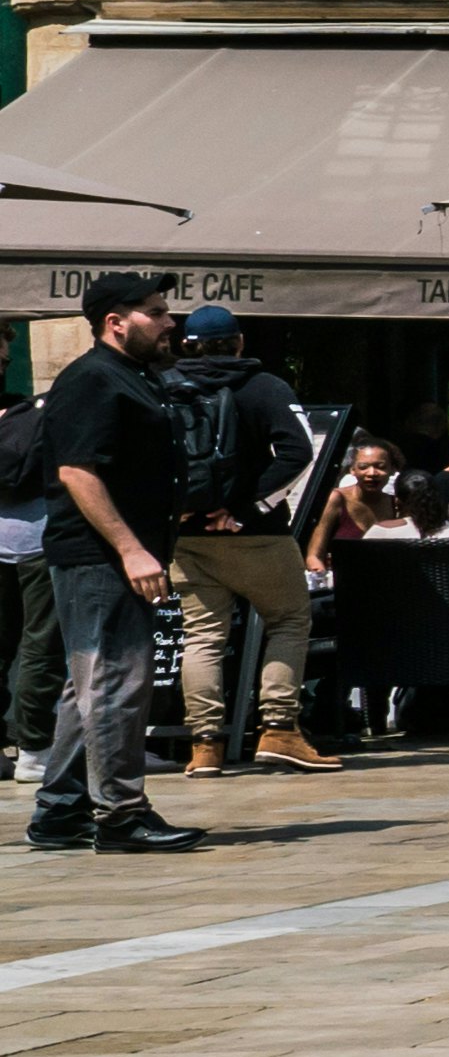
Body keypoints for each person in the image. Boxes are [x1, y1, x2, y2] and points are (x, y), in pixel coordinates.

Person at [18, 275, 209, 856]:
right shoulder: (93, 379)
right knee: (114, 684)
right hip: (100, 557)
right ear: (115, 321)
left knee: (91, 688)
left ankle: (61, 810)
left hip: (117, 555)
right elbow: (78, 472)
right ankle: (121, 814)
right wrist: (130, 548)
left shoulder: (132, 376)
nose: (170, 322)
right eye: (155, 312)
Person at [156, 304, 330, 781]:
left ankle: (205, 746)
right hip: (255, 536)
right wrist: (245, 509)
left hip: (186, 537)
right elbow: (298, 450)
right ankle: (278, 731)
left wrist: (176, 510)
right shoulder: (264, 386)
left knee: (203, 637)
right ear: (238, 342)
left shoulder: (163, 385)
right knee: (289, 621)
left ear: (186, 344)